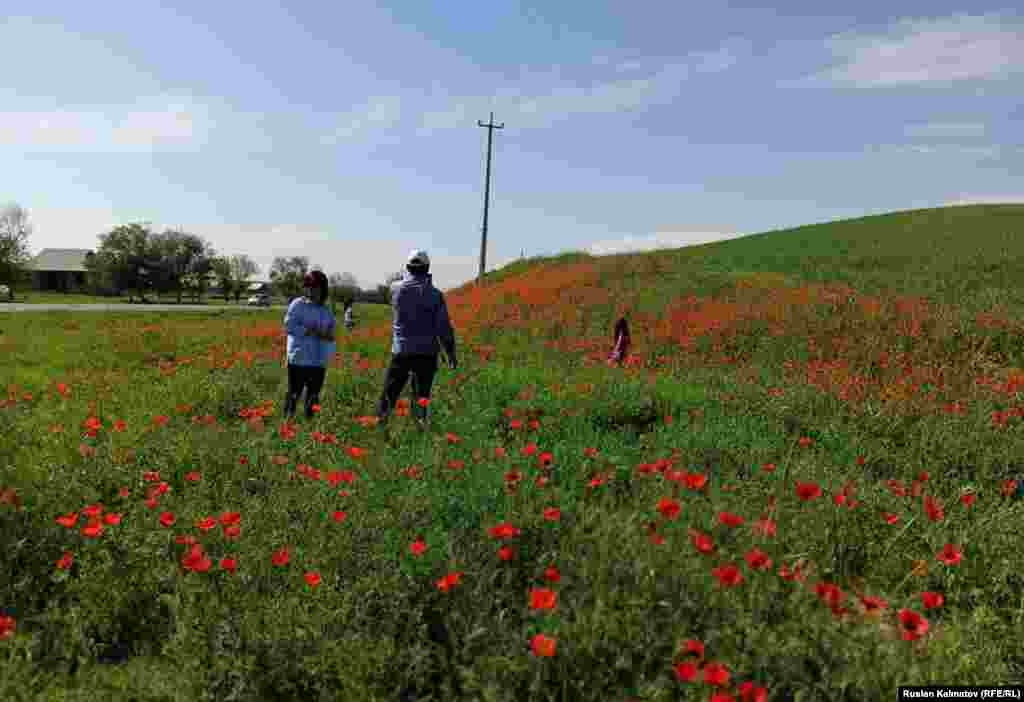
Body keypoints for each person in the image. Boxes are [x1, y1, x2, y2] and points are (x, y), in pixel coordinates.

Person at [376, 249, 457, 427]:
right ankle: (418, 429)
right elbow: (444, 328)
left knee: (389, 394)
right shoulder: (436, 295)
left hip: (401, 351)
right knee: (421, 397)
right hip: (427, 353)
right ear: (428, 268)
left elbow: (396, 289)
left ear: (407, 267)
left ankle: (379, 428)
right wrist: (450, 354)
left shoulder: (396, 289)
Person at [282, 270, 336, 419]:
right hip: (298, 358)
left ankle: (309, 424)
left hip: (318, 361)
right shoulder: (298, 304)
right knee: (294, 393)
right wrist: (310, 331)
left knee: (313, 396)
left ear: (323, 289)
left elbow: (331, 335)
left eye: (315, 287)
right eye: (308, 287)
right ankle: (287, 422)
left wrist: (325, 336)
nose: (311, 291)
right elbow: (289, 326)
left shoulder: (326, 311)